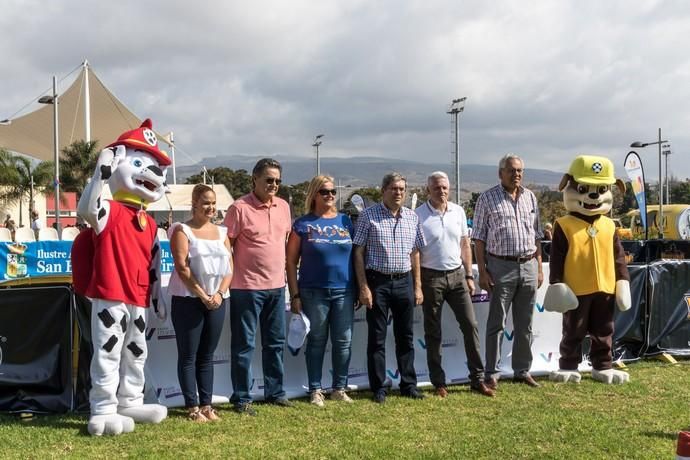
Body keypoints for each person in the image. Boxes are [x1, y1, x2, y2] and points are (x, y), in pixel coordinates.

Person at [415, 172, 495, 398]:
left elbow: (465, 245)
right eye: (437, 187)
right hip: (431, 278)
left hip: (458, 276)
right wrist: (418, 283)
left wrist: (470, 275)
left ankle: (478, 379)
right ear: (427, 189)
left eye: (445, 188)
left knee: (470, 326)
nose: (441, 191)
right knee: (433, 332)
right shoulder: (418, 215)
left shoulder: (458, 211)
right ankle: (438, 382)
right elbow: (416, 253)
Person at [223, 158, 292, 415]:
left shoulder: (284, 206)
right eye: (269, 180)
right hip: (246, 288)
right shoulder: (239, 208)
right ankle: (242, 398)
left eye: (277, 181)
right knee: (244, 346)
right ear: (255, 179)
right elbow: (225, 244)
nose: (273, 185)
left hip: (277, 287)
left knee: (275, 344)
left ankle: (275, 392)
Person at [353, 172, 426, 404]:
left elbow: (415, 253)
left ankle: (408, 384)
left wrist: (418, 286)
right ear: (383, 190)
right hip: (378, 282)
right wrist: (363, 287)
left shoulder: (412, 217)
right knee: (377, 338)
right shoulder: (368, 216)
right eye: (394, 188)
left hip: (404, 281)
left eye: (402, 189)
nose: (398, 193)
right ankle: (379, 387)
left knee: (405, 336)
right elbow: (358, 253)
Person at [472, 154, 544, 391]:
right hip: (500, 266)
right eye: (512, 170)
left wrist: (539, 266)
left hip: (528, 265)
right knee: (497, 323)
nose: (517, 175)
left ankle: (522, 370)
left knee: (526, 324)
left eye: (520, 171)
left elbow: (537, 235)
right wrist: (482, 271)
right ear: (500, 172)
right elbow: (479, 238)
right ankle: (492, 373)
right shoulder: (487, 198)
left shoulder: (530, 197)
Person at [286, 175, 356, 407]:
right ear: (314, 194)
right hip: (313, 292)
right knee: (316, 341)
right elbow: (290, 262)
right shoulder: (302, 224)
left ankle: (339, 387)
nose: (330, 196)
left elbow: (357, 256)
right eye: (324, 192)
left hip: (344, 291)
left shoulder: (346, 222)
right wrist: (295, 294)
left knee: (343, 341)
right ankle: (315, 389)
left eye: (333, 192)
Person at [168, 184, 232, 422]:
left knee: (207, 355)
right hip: (188, 301)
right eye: (206, 203)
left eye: (213, 203)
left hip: (217, 301)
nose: (211, 207)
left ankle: (206, 404)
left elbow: (229, 268)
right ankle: (192, 407)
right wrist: (202, 295)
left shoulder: (222, 233)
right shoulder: (182, 230)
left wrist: (218, 294)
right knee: (188, 355)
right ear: (194, 204)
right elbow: (182, 267)